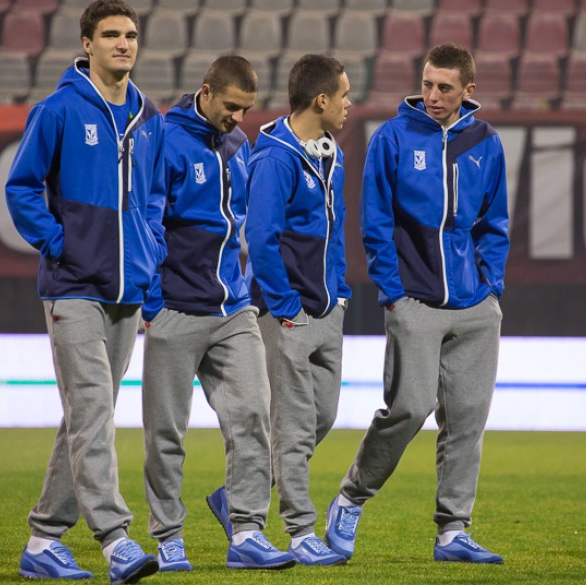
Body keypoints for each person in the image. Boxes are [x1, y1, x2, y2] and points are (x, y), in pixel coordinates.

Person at [325, 43, 510, 565]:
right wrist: (394, 292)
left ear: (468, 91)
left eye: (444, 87)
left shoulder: (486, 142)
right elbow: (376, 222)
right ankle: (351, 498)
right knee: (408, 408)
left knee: (467, 419)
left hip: (475, 305)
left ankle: (453, 530)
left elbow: (494, 221)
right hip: (414, 301)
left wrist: (491, 286)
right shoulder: (393, 137)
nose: (432, 95)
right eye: (427, 84)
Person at [5, 1, 165, 582]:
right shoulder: (58, 111)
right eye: (111, 35)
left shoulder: (149, 117)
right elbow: (21, 187)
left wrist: (149, 257)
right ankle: (116, 539)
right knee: (93, 410)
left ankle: (43, 540)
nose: (124, 44)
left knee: (87, 416)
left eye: (131, 35)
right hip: (72, 287)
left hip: (126, 292)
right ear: (87, 44)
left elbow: (154, 198)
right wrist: (58, 242)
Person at [139, 55, 295, 571]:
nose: (239, 118)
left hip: (233, 309)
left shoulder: (238, 144)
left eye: (247, 109)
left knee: (253, 415)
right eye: (231, 106)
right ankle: (168, 535)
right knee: (166, 433)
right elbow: (147, 220)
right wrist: (152, 300)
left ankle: (247, 531)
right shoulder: (164, 139)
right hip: (175, 309)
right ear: (205, 93)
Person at [240, 54, 352, 566]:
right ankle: (301, 531)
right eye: (343, 96)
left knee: (321, 415)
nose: (349, 105)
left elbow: (337, 226)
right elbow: (261, 239)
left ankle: (237, 495)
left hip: (327, 310)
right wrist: (285, 307)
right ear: (321, 100)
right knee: (292, 427)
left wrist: (340, 291)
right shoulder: (275, 158)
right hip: (287, 313)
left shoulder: (333, 154)